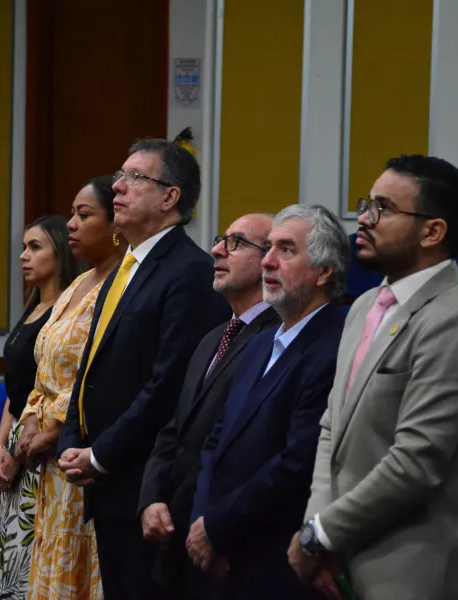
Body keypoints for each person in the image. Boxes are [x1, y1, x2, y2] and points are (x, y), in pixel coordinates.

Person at [288, 155, 458, 600]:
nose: (364, 219)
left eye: (383, 208)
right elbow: (331, 429)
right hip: (340, 556)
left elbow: (416, 463)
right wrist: (317, 527)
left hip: (411, 570)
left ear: (432, 232)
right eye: (367, 204)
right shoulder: (364, 307)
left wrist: (322, 534)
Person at [58, 139, 231, 600]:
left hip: (145, 487)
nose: (117, 186)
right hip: (106, 482)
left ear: (170, 197)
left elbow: (169, 385)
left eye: (135, 177)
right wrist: (72, 438)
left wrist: (100, 454)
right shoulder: (125, 266)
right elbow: (91, 363)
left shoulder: (190, 271)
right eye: (120, 175)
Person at [187, 205, 348, 600]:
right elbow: (216, 440)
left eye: (286, 250)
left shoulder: (337, 346)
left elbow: (297, 464)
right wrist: (202, 521)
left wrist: (217, 528)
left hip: (276, 560)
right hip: (223, 551)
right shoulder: (260, 342)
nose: (268, 261)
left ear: (324, 271)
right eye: (269, 248)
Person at [138, 213, 280, 599]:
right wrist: (151, 498)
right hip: (173, 539)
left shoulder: (276, 340)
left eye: (236, 243)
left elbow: (249, 451)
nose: (216, 250)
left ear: (270, 259)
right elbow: (175, 429)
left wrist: (213, 523)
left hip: (225, 543)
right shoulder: (211, 338)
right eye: (221, 239)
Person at [7, 175, 127, 600]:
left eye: (83, 214)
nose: (71, 224)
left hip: (76, 453)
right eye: (71, 214)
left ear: (115, 224)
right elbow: (42, 366)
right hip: (44, 459)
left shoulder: (121, 285)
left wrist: (55, 428)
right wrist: (29, 423)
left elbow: (96, 372)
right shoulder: (79, 283)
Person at [0, 215, 81, 599]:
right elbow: (15, 390)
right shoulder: (33, 308)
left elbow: (50, 388)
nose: (23, 256)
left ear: (60, 253)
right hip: (17, 439)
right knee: (13, 563)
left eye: (34, 247)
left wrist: (17, 452)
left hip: (40, 444)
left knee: (32, 568)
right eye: (23, 247)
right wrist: (0, 445)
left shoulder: (65, 314)